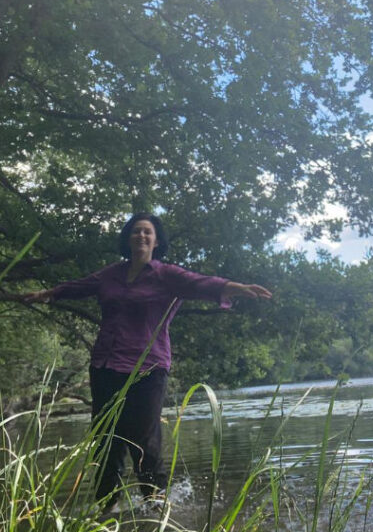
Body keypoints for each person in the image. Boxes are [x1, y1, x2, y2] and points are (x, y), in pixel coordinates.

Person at [21, 212, 272, 512]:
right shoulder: (111, 274)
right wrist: (49, 294)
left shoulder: (166, 275)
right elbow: (80, 286)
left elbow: (202, 283)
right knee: (105, 439)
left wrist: (235, 287)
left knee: (143, 438)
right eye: (136, 232)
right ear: (128, 239)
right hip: (105, 365)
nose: (141, 236)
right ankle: (106, 508)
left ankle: (155, 506)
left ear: (156, 241)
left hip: (147, 369)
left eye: (147, 233)